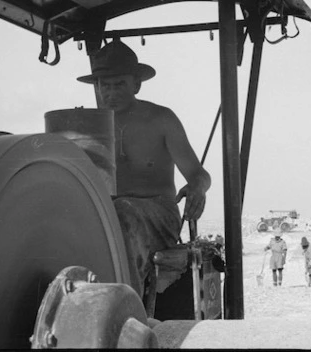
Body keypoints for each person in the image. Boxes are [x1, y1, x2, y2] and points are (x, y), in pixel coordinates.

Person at [77, 39, 211, 298]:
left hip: (159, 215)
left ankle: (128, 310)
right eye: (105, 85)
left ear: (136, 84)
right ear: (97, 87)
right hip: (108, 215)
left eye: (119, 85)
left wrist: (198, 188)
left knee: (122, 212)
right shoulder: (87, 126)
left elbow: (199, 174)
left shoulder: (161, 119)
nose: (111, 93)